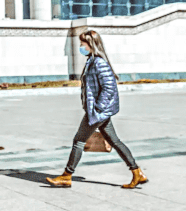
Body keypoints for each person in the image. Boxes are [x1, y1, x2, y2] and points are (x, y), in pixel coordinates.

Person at [46, 29, 148, 189]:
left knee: (79, 141)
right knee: (115, 141)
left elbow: (109, 87)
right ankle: (137, 172)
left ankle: (66, 176)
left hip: (97, 112)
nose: (81, 46)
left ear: (91, 44)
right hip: (98, 112)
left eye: (83, 43)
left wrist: (98, 108)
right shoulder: (92, 61)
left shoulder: (99, 63)